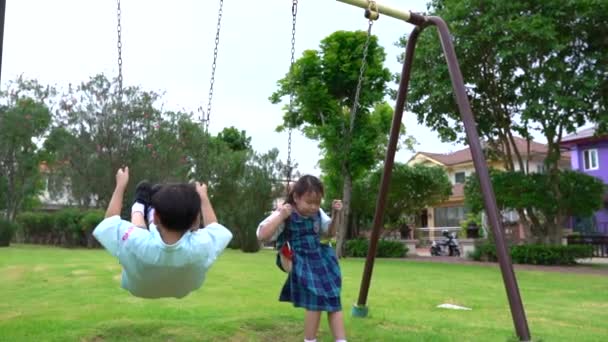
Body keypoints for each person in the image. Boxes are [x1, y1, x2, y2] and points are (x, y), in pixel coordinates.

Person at [93, 166, 233, 299]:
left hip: (139, 287)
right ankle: (147, 209)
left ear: (156, 218)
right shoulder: (202, 245)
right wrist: (203, 197)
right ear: (195, 221)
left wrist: (120, 186)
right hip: (182, 288)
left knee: (138, 232)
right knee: (140, 234)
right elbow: (214, 228)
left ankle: (140, 207)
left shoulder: (136, 240)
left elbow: (109, 223)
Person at [257, 175, 346, 342]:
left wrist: (336, 214)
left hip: (322, 258)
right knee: (315, 298)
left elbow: (330, 233)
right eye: (309, 202)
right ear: (296, 197)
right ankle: (310, 340)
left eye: (317, 203)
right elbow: (262, 235)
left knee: (333, 296)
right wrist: (281, 216)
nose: (314, 207)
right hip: (298, 258)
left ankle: (341, 340)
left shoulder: (318, 212)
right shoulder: (286, 211)